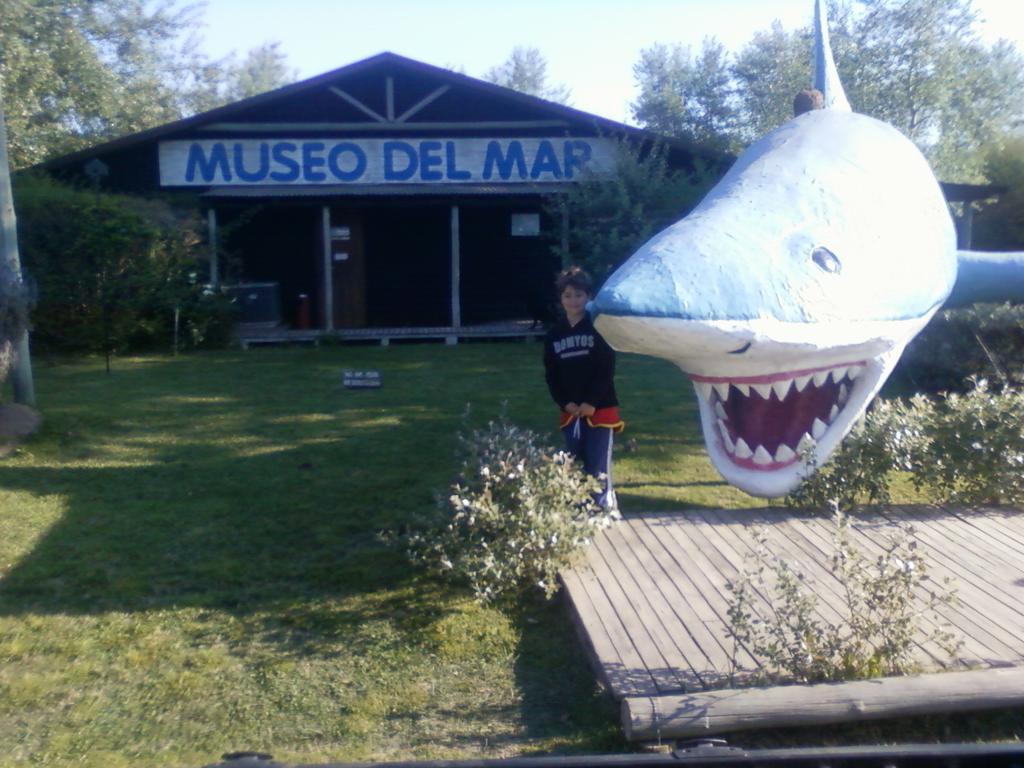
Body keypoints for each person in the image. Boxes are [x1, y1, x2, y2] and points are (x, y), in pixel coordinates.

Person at [543, 266, 623, 511]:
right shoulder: (555, 334)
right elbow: (552, 375)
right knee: (573, 461)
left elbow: (605, 369)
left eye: (578, 295)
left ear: (588, 296)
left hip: (600, 408)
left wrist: (591, 402)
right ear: (560, 299)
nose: (573, 300)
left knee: (598, 462)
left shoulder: (598, 329)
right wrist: (565, 402)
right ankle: (578, 508)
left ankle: (603, 508)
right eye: (567, 295)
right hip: (571, 411)